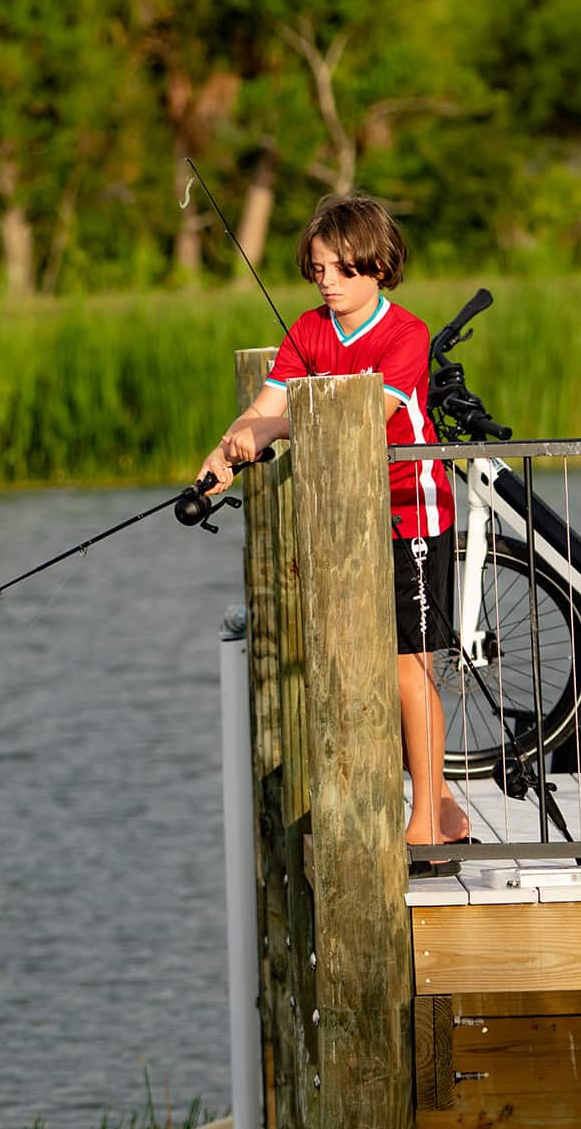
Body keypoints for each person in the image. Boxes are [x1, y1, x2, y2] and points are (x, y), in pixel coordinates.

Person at [196, 191, 468, 875]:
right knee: (381, 666)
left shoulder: (405, 333)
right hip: (346, 520)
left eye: (341, 270)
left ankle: (426, 823)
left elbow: (368, 410)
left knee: (412, 668)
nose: (327, 283)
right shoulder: (308, 333)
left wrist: (274, 428)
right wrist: (227, 451)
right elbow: (265, 405)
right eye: (317, 270)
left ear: (378, 268)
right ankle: (444, 804)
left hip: (412, 512)